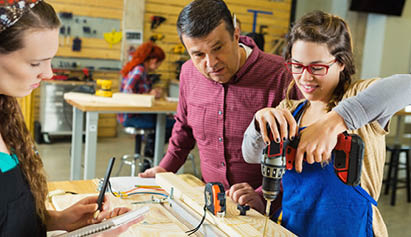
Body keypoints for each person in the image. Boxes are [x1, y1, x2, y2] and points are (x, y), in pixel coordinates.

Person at [242, 10, 411, 237]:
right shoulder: (289, 111)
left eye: (317, 67)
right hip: (292, 230)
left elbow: (406, 85)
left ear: (341, 63)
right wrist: (258, 123)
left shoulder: (358, 95)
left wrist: (335, 121)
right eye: (297, 65)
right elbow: (250, 156)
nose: (305, 77)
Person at [139, 0, 301, 214]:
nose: (211, 62)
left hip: (272, 211)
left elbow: (299, 153)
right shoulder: (188, 73)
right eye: (198, 54)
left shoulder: (282, 75)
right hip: (211, 205)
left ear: (235, 34)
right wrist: (164, 169)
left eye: (218, 48)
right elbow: (184, 130)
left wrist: (262, 196)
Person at [0, 1, 128, 235]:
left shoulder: (6, 113)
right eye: (35, 63)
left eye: (51, 60)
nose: (48, 73)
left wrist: (58, 220)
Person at [118, 41, 174, 158]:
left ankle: (151, 153)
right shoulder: (139, 70)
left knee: (167, 120)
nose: (158, 66)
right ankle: (152, 154)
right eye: (159, 63)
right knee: (173, 124)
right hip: (132, 116)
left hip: (135, 114)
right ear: (153, 60)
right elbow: (127, 92)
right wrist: (148, 95)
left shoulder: (142, 70)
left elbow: (140, 91)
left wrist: (152, 93)